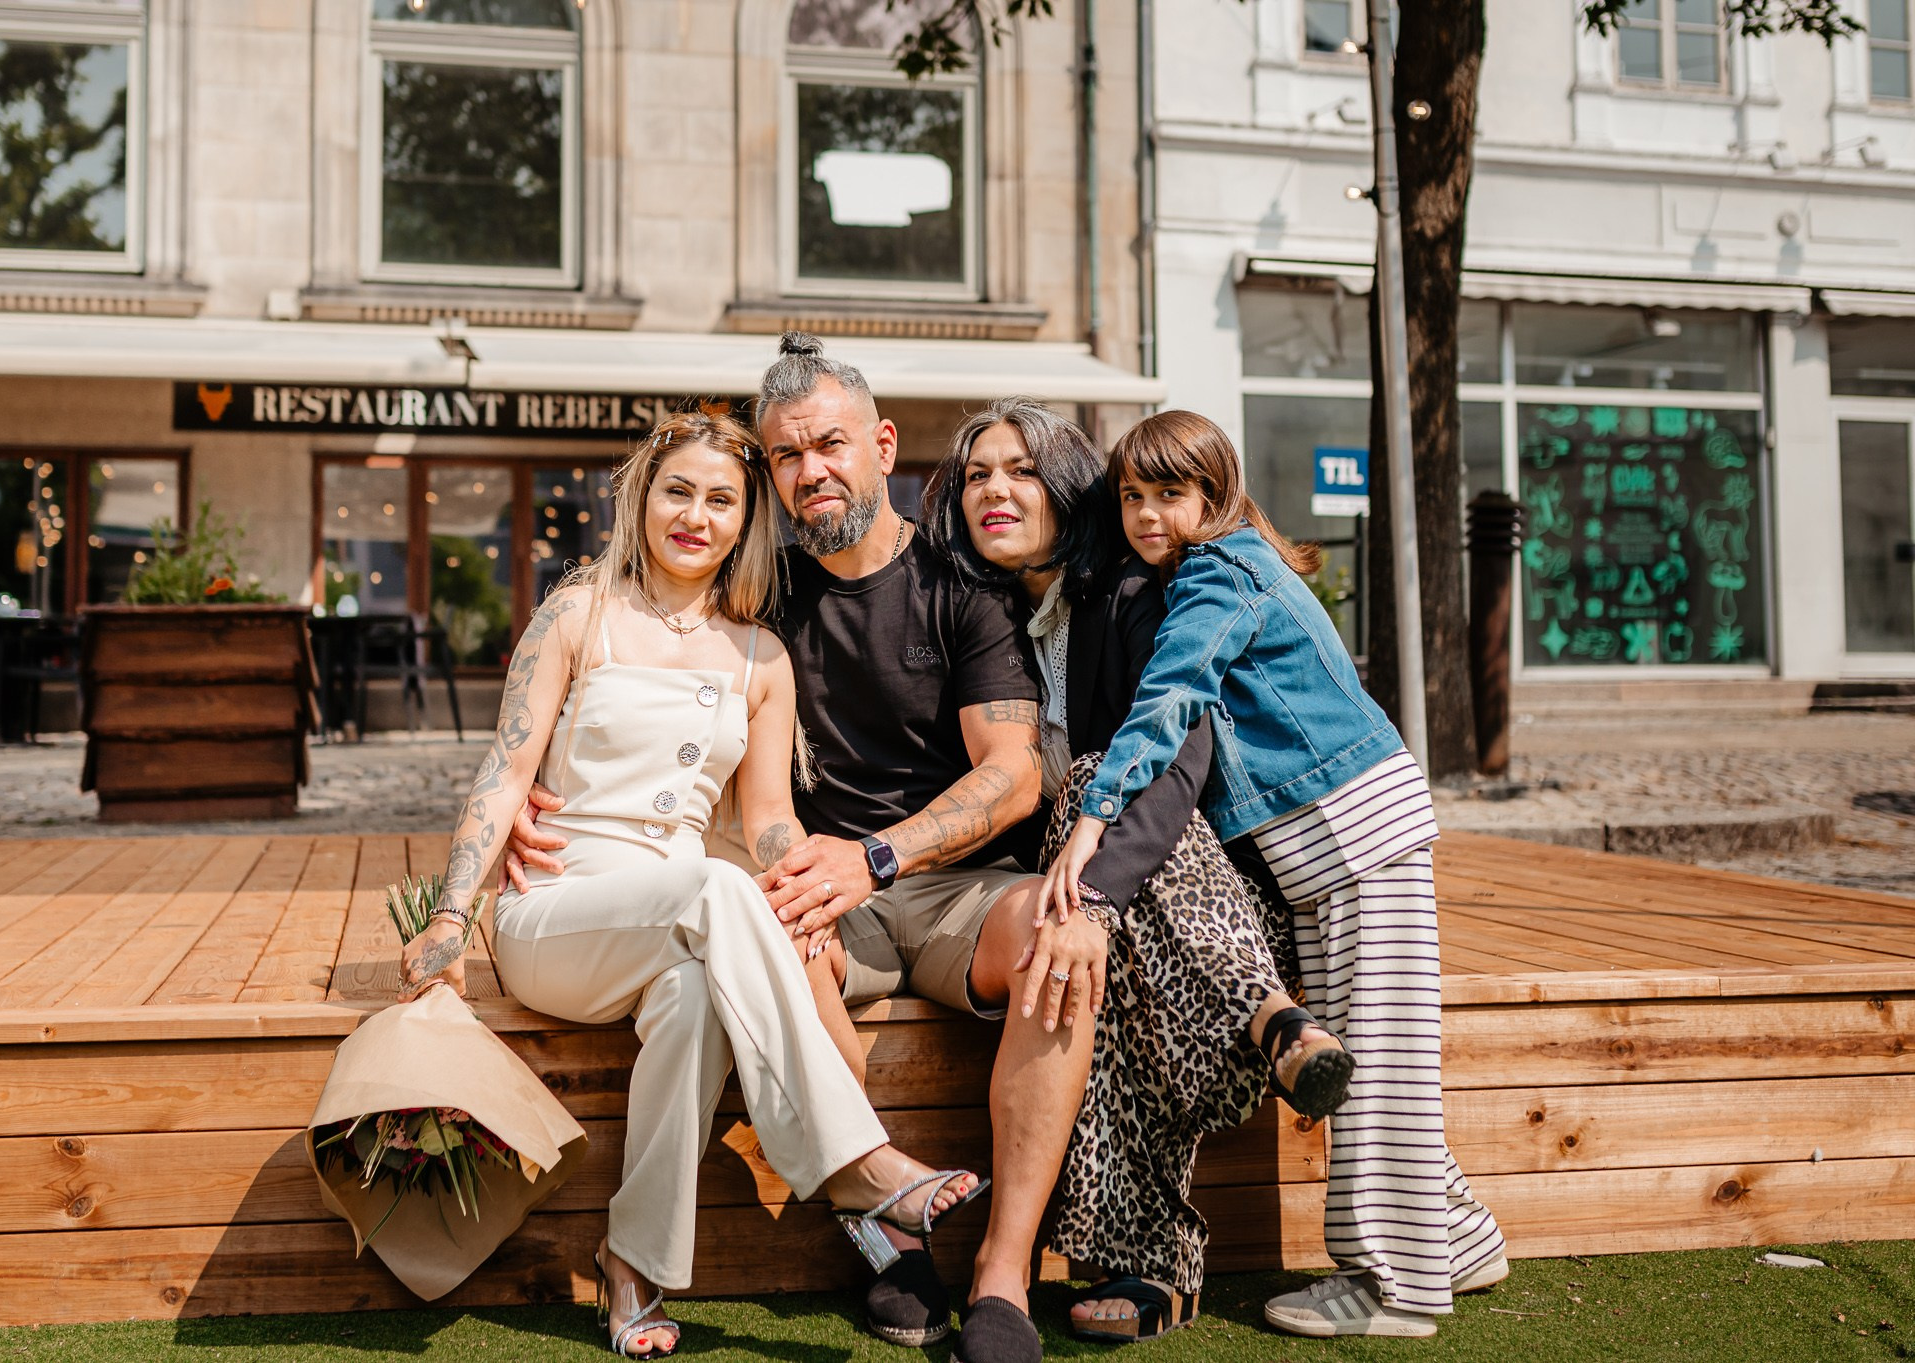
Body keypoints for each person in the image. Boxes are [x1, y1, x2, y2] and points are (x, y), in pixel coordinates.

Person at [507, 336, 1101, 1363]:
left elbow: (1013, 773)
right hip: (816, 887)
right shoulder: (756, 589)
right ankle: (885, 1233)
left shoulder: (963, 585)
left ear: (882, 446)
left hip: (951, 884)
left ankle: (1002, 1275)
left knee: (1059, 945)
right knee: (770, 926)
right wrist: (532, 777)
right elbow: (632, 664)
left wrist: (875, 857)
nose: (809, 470)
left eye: (829, 444)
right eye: (785, 455)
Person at [396, 409, 985, 1360]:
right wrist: (450, 916)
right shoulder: (578, 613)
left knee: (695, 998)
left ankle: (632, 1265)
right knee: (716, 888)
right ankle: (858, 1164)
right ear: (643, 497)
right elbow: (505, 774)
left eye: (721, 500)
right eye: (678, 491)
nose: (695, 516)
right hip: (558, 913)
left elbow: (768, 820)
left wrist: (802, 895)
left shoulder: (760, 655)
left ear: (746, 520)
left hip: (682, 917)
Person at [1041, 410, 1509, 1340]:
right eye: (1131, 496)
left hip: (1354, 836)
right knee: (1380, 1051)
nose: (1147, 515)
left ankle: (1396, 1287)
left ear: (1215, 494)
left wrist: (1092, 816)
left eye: (1170, 493)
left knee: (1381, 1068)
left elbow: (1171, 698)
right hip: (1335, 849)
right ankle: (1459, 1239)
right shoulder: (1228, 565)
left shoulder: (1218, 572)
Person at [924, 397, 1353, 1344]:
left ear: (1067, 484)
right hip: (1095, 894)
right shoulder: (981, 612)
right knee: (1083, 958)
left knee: (1093, 878)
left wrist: (1096, 894)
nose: (995, 490)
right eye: (977, 475)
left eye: (1021, 470)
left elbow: (1178, 761)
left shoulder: (1134, 587)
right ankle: (1272, 1024)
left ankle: (1155, 1251)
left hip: (1207, 893)